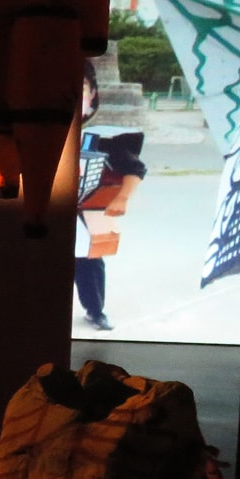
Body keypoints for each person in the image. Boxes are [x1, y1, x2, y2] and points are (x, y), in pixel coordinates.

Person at [76, 63, 145, 332]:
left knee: (90, 262)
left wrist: (122, 198)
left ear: (92, 94)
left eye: (80, 88)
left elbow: (135, 168)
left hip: (87, 213)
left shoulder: (102, 138)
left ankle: (95, 310)